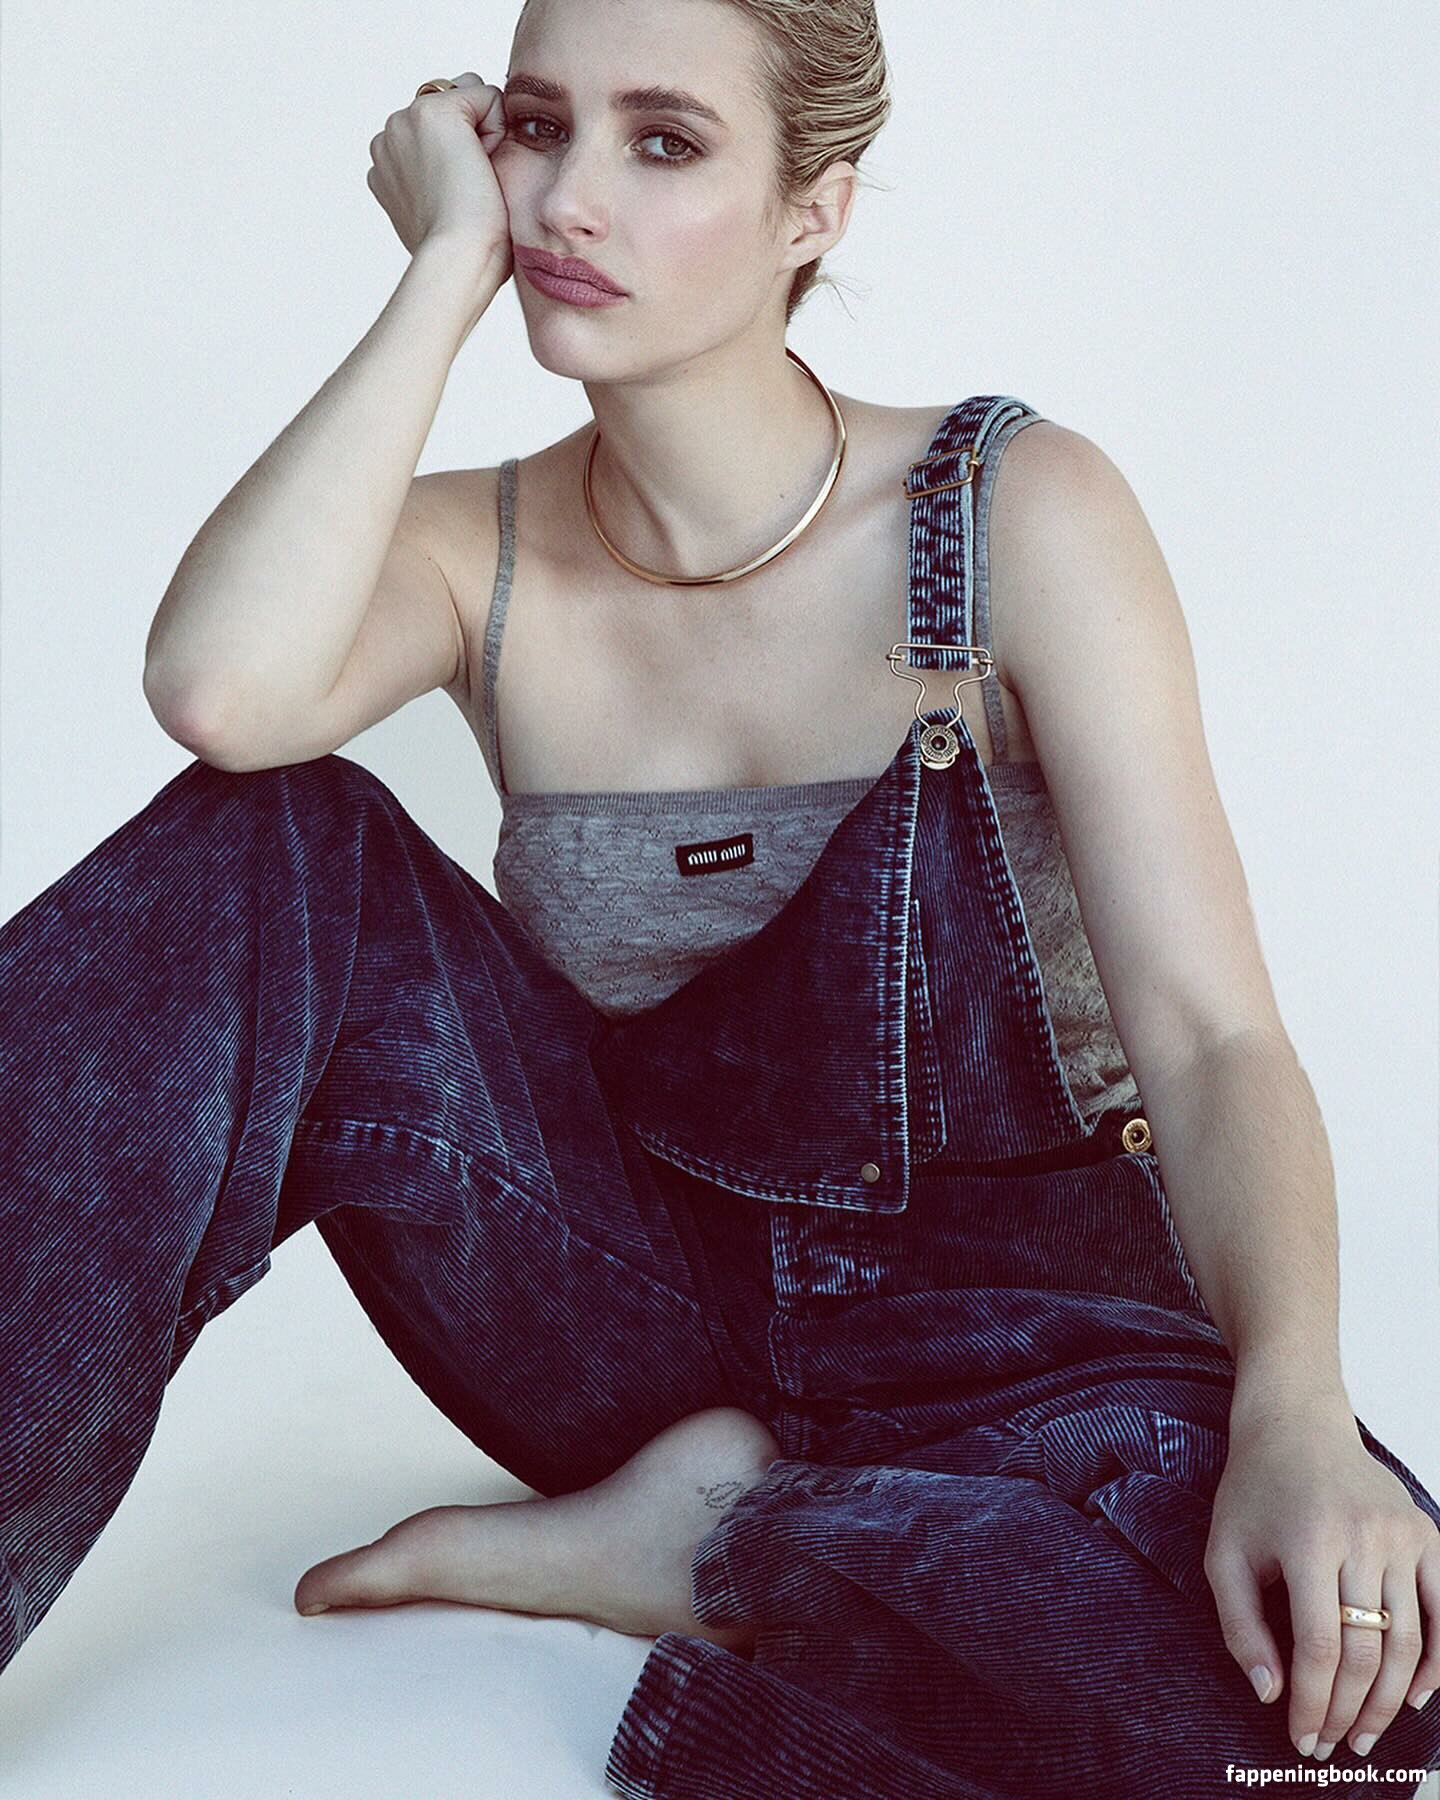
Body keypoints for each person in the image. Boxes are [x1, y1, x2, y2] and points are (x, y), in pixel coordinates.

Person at [2, 1, 1437, 1794]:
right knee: (269, 843)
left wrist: (1297, 1410)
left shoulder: (1020, 514)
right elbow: (220, 694)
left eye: (665, 143)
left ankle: (719, 1543)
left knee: (1338, 1704)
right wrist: (440, 279)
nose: (567, 200)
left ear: (811, 211)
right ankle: (760, 1518)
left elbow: (1216, 1040)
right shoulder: (474, 550)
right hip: (626, 1321)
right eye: (537, 126)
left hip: (1019, 1340)